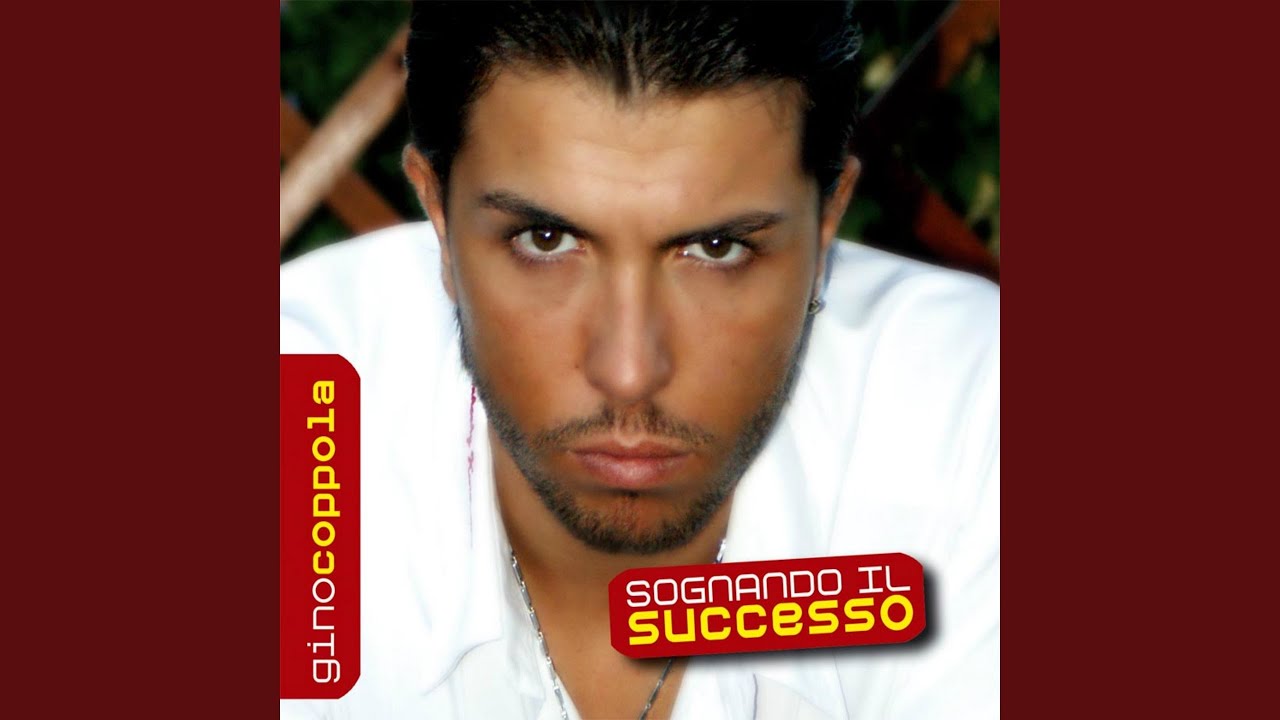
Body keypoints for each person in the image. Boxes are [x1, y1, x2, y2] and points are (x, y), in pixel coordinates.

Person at [280, 2, 999, 718]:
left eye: (717, 248)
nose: (628, 372)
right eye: (546, 240)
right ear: (439, 218)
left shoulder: (972, 423)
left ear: (824, 228)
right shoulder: (298, 427)